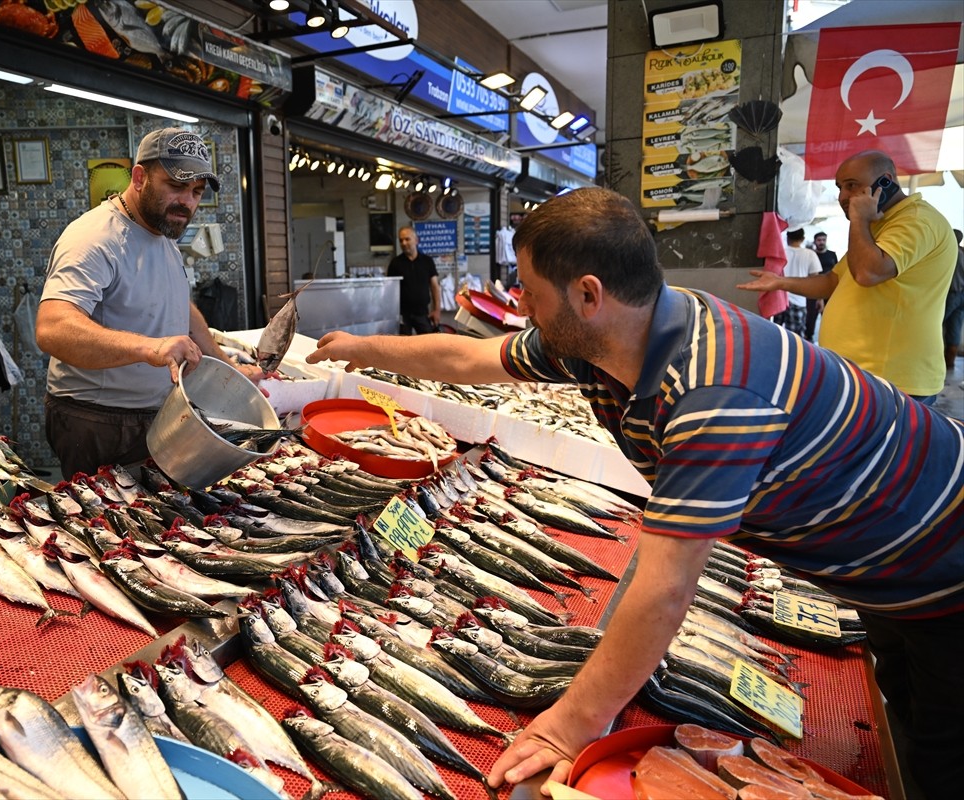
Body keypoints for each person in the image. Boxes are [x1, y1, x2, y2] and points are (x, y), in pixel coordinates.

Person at [307, 187, 964, 799]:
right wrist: (364, 348)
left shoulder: (714, 390)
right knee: (903, 711)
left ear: (588, 294)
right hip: (880, 568)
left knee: (942, 755)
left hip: (944, 563)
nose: (519, 302)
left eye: (531, 291)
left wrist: (572, 723)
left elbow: (666, 589)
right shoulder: (602, 341)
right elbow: (470, 360)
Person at [36, 127, 263, 477]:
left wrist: (227, 369)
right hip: (98, 420)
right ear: (140, 177)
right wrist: (150, 348)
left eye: (196, 191)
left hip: (156, 413)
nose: (187, 201)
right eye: (175, 186)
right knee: (108, 526)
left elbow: (179, 308)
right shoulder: (94, 238)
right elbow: (53, 329)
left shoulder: (162, 234)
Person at [739, 150, 957, 403]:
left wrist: (859, 220)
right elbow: (834, 281)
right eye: (840, 187)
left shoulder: (916, 221)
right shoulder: (879, 227)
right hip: (861, 376)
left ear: (885, 181)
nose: (843, 196)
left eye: (852, 185)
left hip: (891, 381)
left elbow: (868, 273)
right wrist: (780, 282)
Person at [388, 225, 440, 334]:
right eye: (401, 240)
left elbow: (435, 286)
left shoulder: (427, 261)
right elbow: (390, 290)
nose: (404, 243)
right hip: (402, 315)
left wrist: (437, 310)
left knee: (428, 346)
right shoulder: (395, 263)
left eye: (407, 239)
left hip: (422, 314)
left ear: (416, 240)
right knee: (402, 348)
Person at [772, 228, 820, 338]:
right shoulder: (810, 254)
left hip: (779, 299)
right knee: (795, 337)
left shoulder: (780, 252)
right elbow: (815, 279)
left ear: (787, 237)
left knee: (775, 333)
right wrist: (819, 299)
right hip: (799, 300)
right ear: (803, 239)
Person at [806, 231, 837, 341]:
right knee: (811, 318)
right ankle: (809, 339)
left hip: (830, 291)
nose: (821, 242)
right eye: (819, 240)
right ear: (815, 241)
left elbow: (836, 270)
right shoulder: (811, 255)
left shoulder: (832, 254)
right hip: (814, 290)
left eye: (823, 240)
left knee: (829, 317)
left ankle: (830, 339)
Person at [944, 229, 964, 374]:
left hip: (950, 295)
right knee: (954, 331)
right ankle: (949, 365)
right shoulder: (962, 253)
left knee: (932, 326)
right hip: (962, 296)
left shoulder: (950, 252)